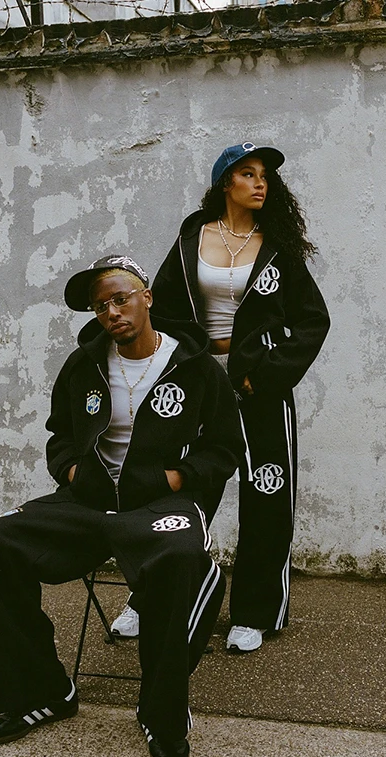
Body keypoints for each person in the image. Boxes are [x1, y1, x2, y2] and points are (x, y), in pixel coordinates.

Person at [0, 255, 244, 757]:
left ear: (147, 298)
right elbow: (60, 435)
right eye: (101, 306)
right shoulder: (85, 364)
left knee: (186, 561)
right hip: (89, 502)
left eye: (121, 298)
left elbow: (225, 448)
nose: (112, 312)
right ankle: (44, 691)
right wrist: (73, 472)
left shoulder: (195, 366)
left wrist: (176, 479)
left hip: (158, 505)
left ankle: (161, 713)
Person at [110, 143, 330, 654]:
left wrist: (265, 375)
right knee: (178, 491)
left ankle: (253, 612)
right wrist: (177, 366)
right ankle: (150, 597)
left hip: (260, 389)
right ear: (225, 183)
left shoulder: (278, 247)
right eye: (248, 174)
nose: (261, 183)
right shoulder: (192, 238)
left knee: (267, 495)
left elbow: (312, 321)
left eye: (265, 175)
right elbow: (162, 310)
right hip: (198, 386)